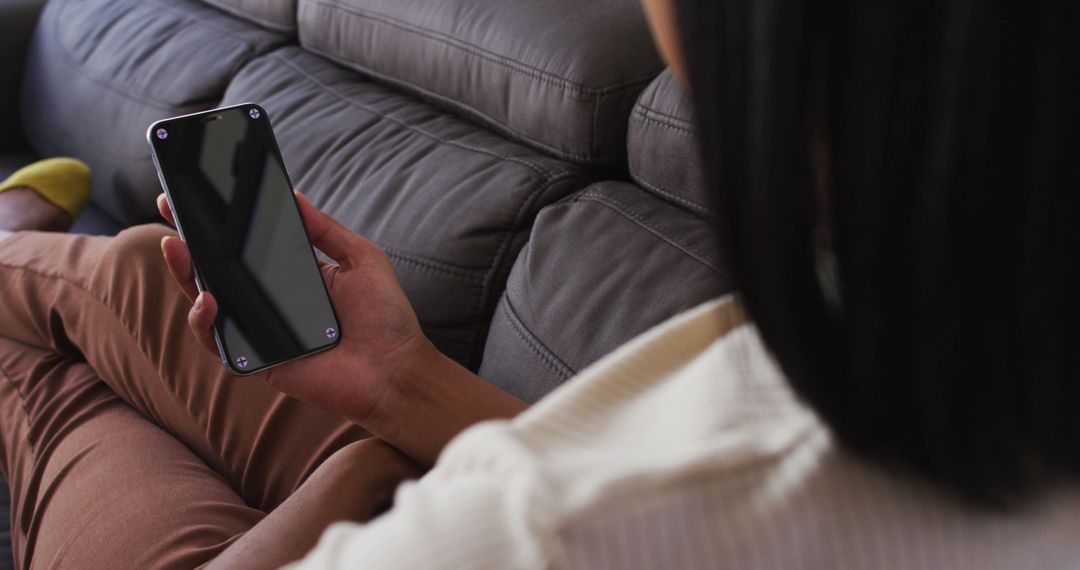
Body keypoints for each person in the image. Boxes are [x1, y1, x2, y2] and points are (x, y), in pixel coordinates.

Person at [0, 0, 1078, 567]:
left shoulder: (543, 532)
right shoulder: (930, 327)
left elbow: (613, 507)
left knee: (41, 385)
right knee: (142, 271)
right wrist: (404, 383)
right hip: (443, 458)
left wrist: (420, 486)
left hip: (432, 504)